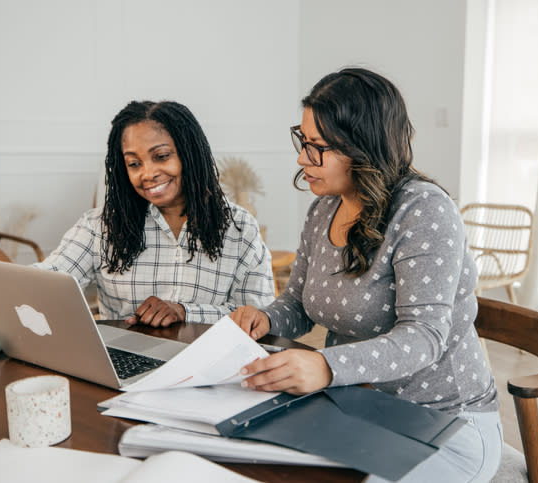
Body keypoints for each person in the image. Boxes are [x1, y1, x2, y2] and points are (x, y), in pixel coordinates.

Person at [231, 68, 502, 481]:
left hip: (443, 422)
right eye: (303, 142)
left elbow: (423, 337)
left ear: (363, 148)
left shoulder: (424, 211)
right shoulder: (324, 208)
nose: (303, 158)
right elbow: (299, 303)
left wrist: (325, 367)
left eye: (318, 147)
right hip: (358, 406)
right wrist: (266, 318)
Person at [36, 100, 275, 326]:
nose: (148, 173)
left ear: (189, 154)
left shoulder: (240, 228)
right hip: (125, 362)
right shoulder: (98, 227)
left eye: (161, 156)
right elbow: (45, 283)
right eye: (134, 164)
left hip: (213, 363)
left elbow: (257, 317)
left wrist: (184, 311)